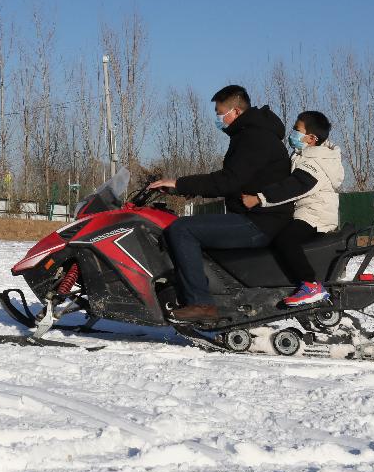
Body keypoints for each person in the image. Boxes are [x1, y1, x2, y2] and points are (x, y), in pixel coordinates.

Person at [147, 85, 292, 322]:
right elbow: (236, 181)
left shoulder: (254, 138)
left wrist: (179, 184)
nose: (218, 118)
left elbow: (227, 181)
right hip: (258, 217)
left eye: (219, 112)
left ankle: (200, 303)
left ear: (235, 111)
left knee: (182, 230)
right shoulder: (252, 133)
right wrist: (187, 190)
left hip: (259, 222)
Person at [241, 111, 344, 306]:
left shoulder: (315, 162)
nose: (292, 134)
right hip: (307, 211)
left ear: (312, 138)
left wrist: (259, 198)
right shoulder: (307, 154)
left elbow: (294, 186)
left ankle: (311, 284)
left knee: (285, 240)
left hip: (315, 215)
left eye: (297, 130)